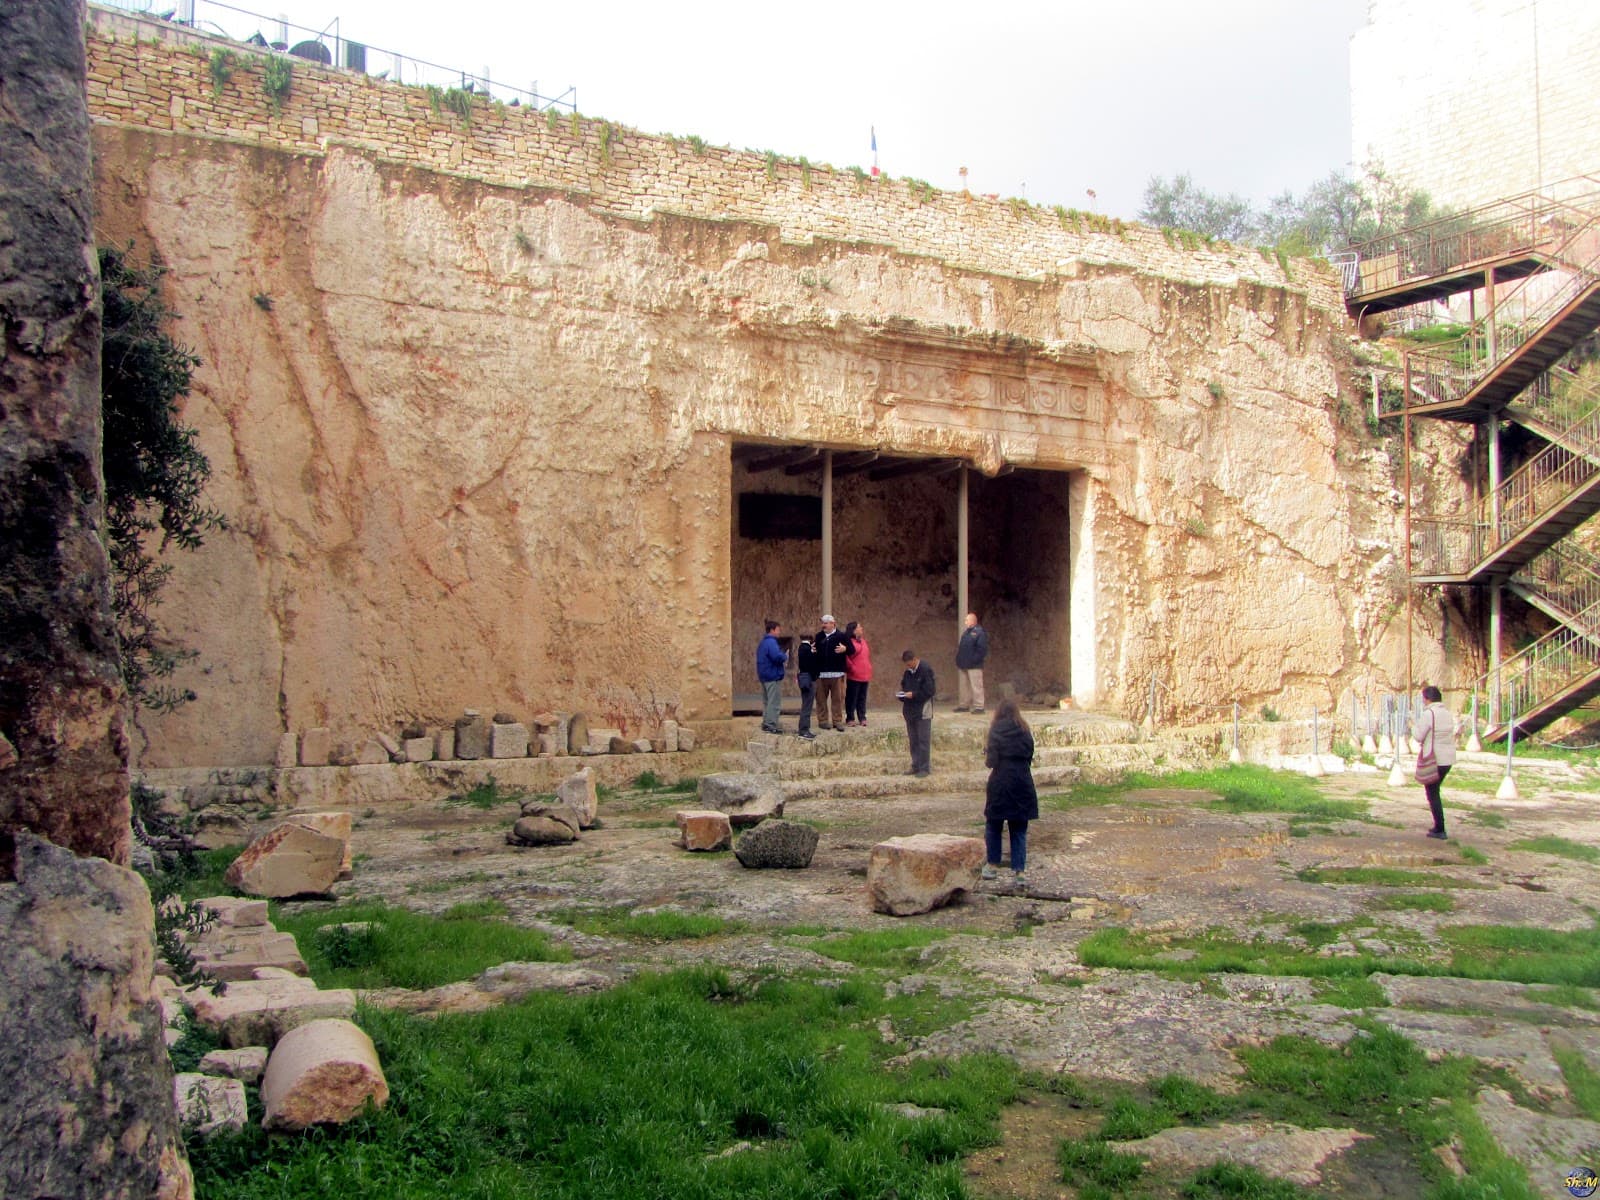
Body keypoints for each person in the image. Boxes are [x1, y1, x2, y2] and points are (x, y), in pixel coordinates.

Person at [982, 698, 1038, 888]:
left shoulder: (996, 730)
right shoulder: (1025, 731)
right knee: (1019, 829)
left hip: (1000, 782)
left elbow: (991, 761)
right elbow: (1030, 755)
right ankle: (1019, 871)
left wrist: (987, 753)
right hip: (1022, 782)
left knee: (994, 825)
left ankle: (992, 865)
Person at [1414, 684, 1457, 839]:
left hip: (1435, 757)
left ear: (1427, 699)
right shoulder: (1447, 713)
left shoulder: (1429, 714)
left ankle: (1440, 827)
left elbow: (1418, 735)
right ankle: (1439, 826)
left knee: (1432, 792)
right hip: (1448, 758)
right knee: (1434, 790)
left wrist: (1413, 727)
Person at [897, 649, 936, 776]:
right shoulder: (907, 673)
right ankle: (915, 765)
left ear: (914, 660)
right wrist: (902, 695)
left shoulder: (925, 670)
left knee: (923, 740)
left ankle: (924, 768)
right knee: (913, 740)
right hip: (910, 711)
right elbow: (904, 686)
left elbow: (930, 691)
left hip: (923, 711)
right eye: (906, 665)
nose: (908, 667)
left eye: (909, 664)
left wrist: (913, 695)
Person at [814, 614, 851, 731]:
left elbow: (852, 650)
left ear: (833, 624)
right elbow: (814, 650)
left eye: (826, 623)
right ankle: (823, 720)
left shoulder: (841, 636)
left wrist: (845, 649)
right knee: (820, 699)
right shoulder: (818, 636)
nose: (823, 625)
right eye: (823, 623)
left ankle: (837, 721)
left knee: (837, 699)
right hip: (821, 674)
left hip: (837, 674)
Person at [756, 620, 787, 734]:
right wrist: (785, 656)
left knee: (767, 701)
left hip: (764, 676)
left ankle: (766, 722)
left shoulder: (763, 643)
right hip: (772, 675)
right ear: (772, 630)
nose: (779, 632)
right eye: (778, 630)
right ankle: (771, 724)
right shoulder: (771, 643)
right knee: (774, 702)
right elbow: (777, 656)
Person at [955, 611, 989, 713]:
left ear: (973, 621)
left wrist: (974, 660)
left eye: (966, 620)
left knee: (976, 686)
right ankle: (964, 705)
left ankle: (979, 706)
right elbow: (962, 648)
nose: (965, 622)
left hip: (974, 665)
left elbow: (982, 649)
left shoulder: (980, 633)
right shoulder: (966, 633)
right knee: (964, 687)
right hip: (964, 664)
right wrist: (959, 659)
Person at [844, 620, 873, 727]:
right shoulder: (849, 642)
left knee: (862, 697)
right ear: (854, 630)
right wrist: (852, 668)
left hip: (865, 675)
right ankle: (850, 718)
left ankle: (862, 717)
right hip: (854, 675)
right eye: (859, 627)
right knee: (852, 697)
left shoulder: (864, 641)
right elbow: (846, 657)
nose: (862, 629)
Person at [793, 631, 818, 740]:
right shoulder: (807, 649)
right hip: (808, 680)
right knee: (807, 706)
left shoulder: (801, 648)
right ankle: (804, 730)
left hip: (803, 678)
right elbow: (812, 665)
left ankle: (803, 729)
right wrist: (814, 654)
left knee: (805, 704)